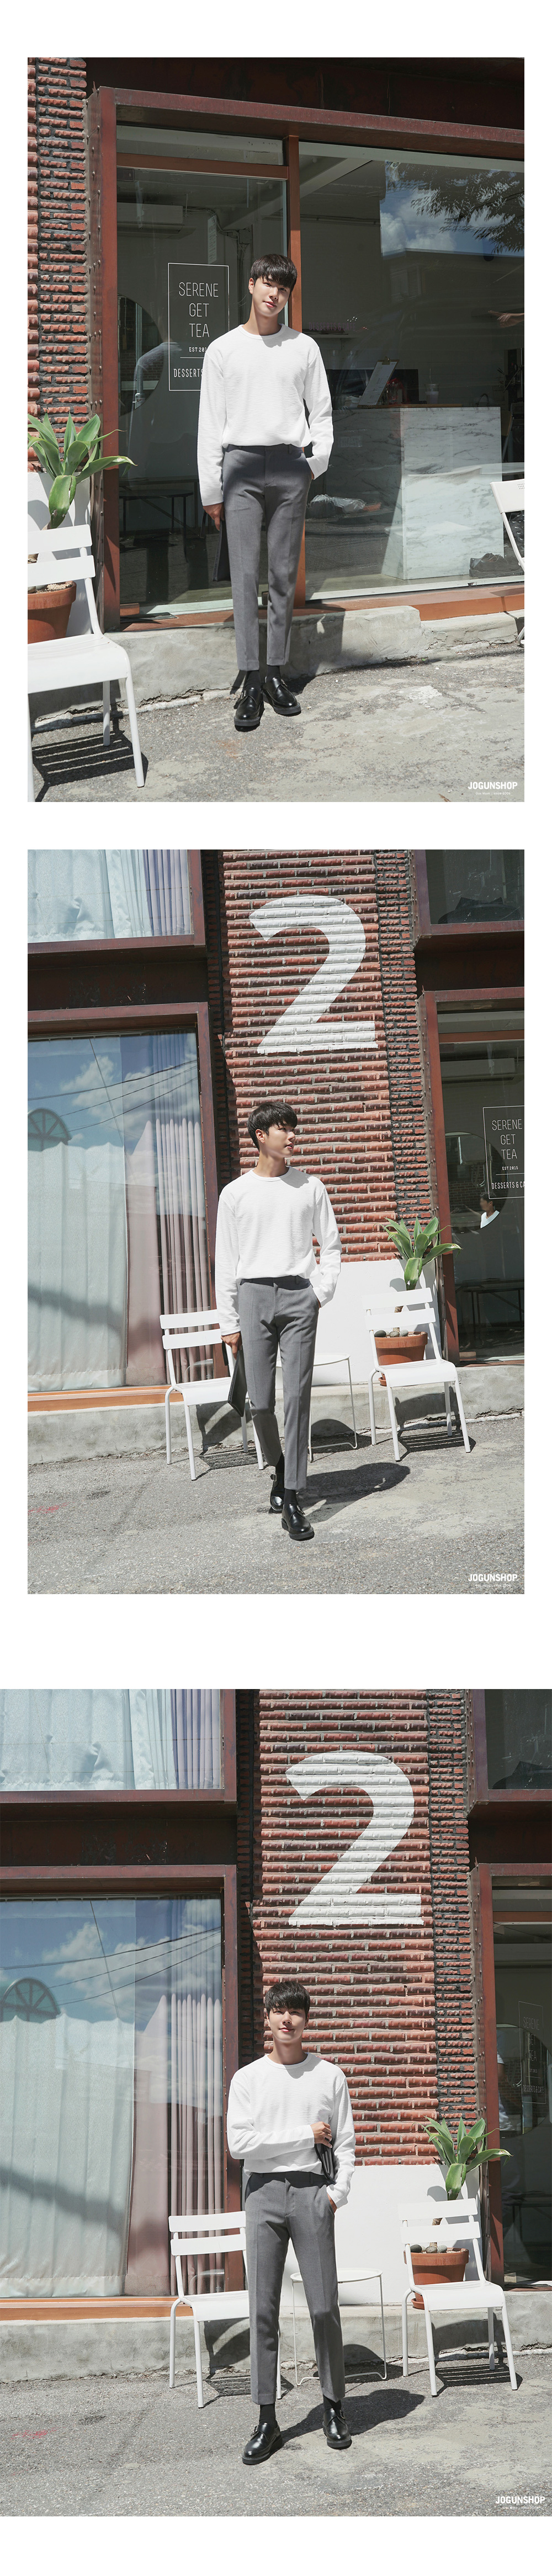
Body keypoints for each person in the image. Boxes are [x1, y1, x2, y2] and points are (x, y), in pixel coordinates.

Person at [197, 253, 333, 732]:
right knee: (243, 577)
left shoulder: (304, 348)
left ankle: (276, 673)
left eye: (283, 289)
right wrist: (211, 489)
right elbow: (210, 423)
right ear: (252, 285)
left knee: (281, 574)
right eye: (268, 284)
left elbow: (322, 412)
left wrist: (314, 465)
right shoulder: (223, 350)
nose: (274, 294)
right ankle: (251, 681)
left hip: (291, 466)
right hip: (240, 469)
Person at [226, 1978, 355, 2462]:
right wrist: (305, 2134)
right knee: (263, 2308)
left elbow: (345, 2141)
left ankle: (334, 2407)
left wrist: (336, 2195)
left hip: (312, 2193)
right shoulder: (248, 2079)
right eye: (279, 2011)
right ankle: (267, 2419)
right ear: (267, 2017)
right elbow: (240, 2145)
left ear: (306, 2020)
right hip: (262, 2194)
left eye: (296, 2012)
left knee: (324, 2306)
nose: (287, 2019)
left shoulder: (329, 2075)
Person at [214, 1099, 341, 1541]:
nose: (292, 1136)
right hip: (252, 1298)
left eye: (293, 1128)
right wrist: (228, 1321)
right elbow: (225, 1261)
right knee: (261, 1402)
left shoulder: (310, 1187)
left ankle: (291, 1498)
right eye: (283, 1129)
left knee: (298, 1397)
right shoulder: (236, 1194)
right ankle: (281, 1465)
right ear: (260, 1136)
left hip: (299, 1295)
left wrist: (319, 1294)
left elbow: (331, 1246)